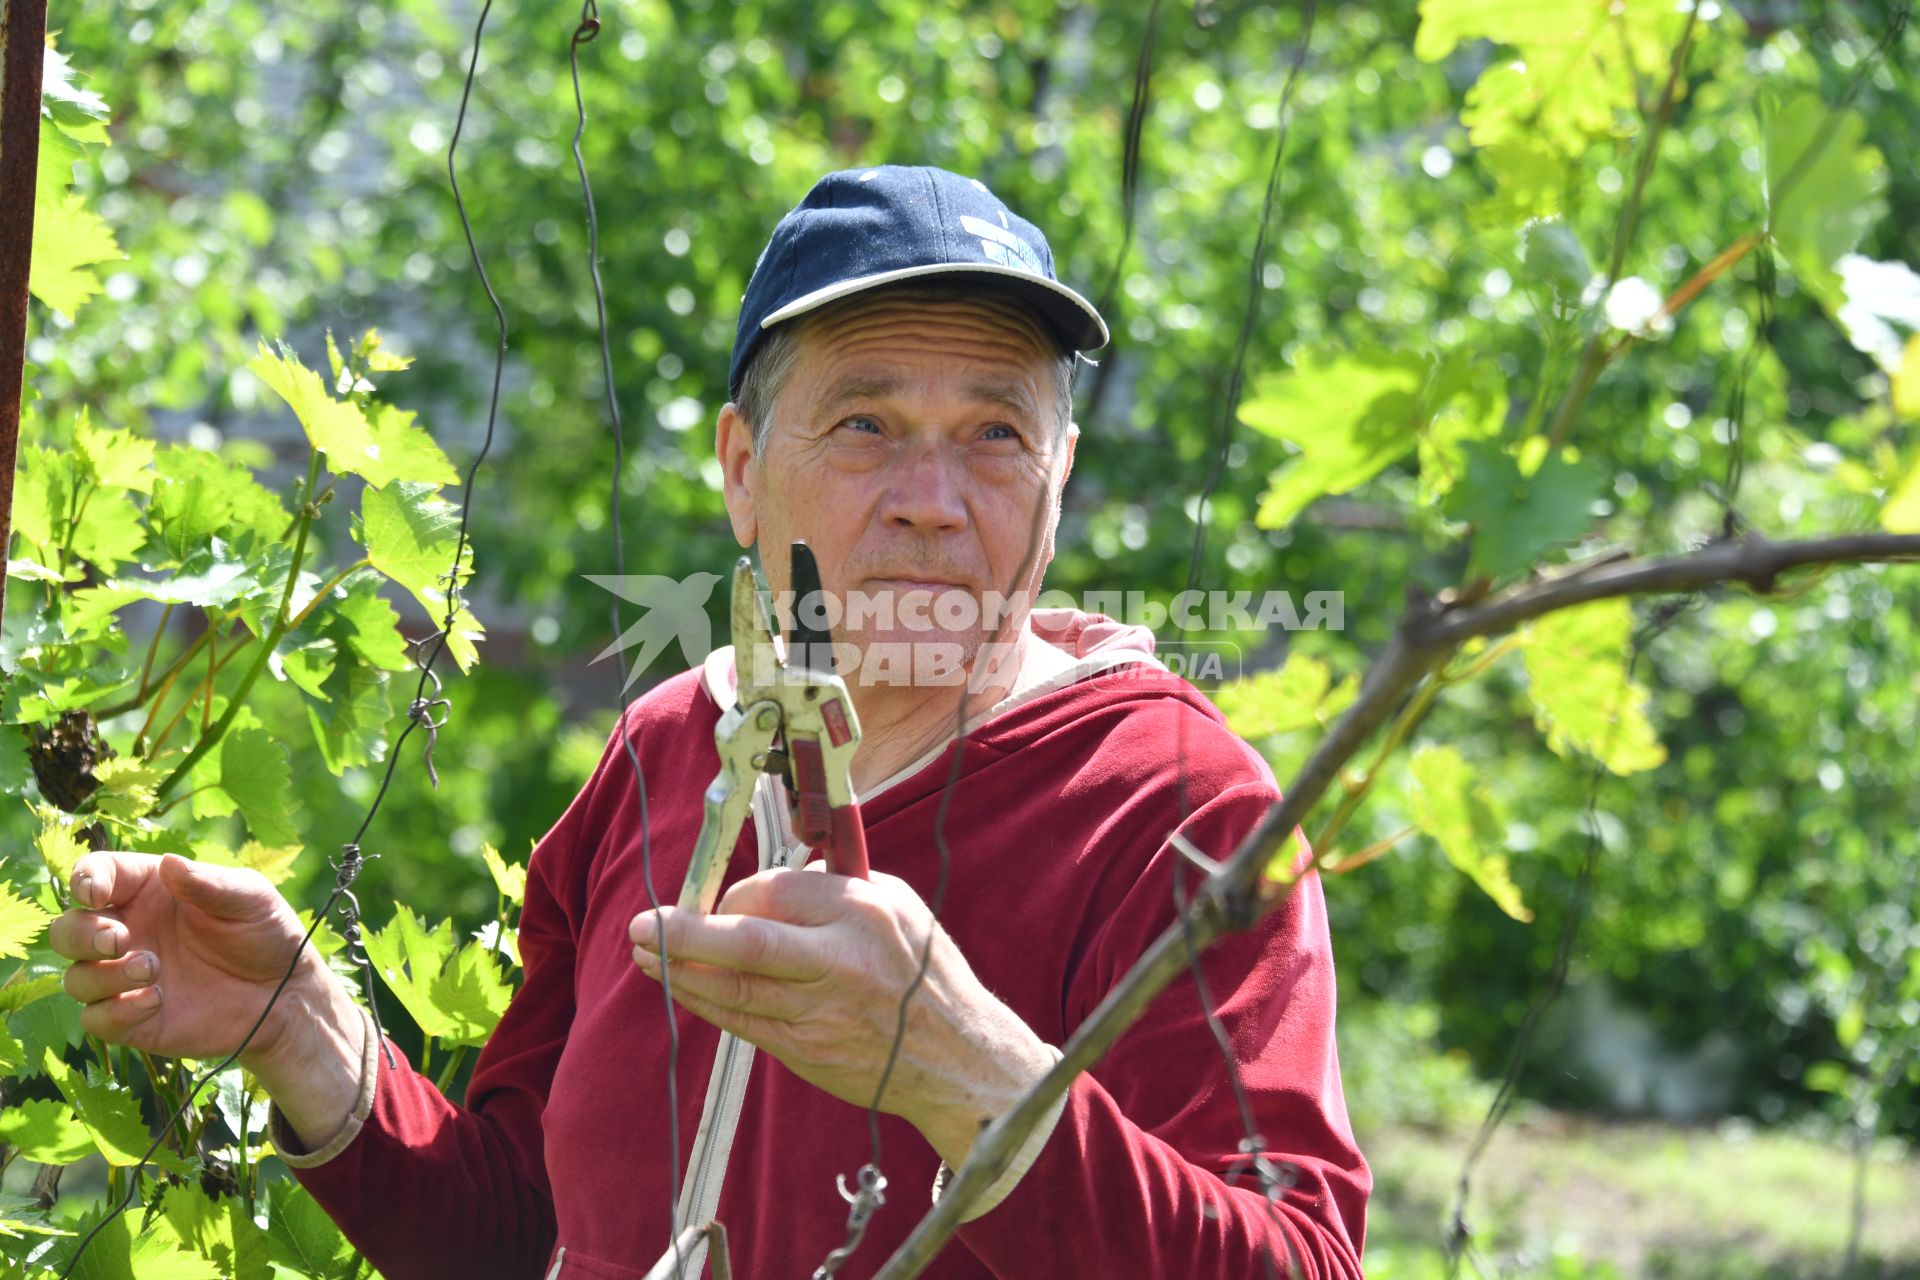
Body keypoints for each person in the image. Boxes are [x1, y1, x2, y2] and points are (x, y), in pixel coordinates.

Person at [49, 165, 1369, 1278]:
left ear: (1060, 474)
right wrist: (304, 1033)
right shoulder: (672, 749)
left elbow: (1301, 1257)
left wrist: (969, 1078)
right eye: (865, 423)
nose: (933, 497)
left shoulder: (1178, 806)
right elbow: (528, 1231)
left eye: (994, 434)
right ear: (744, 470)